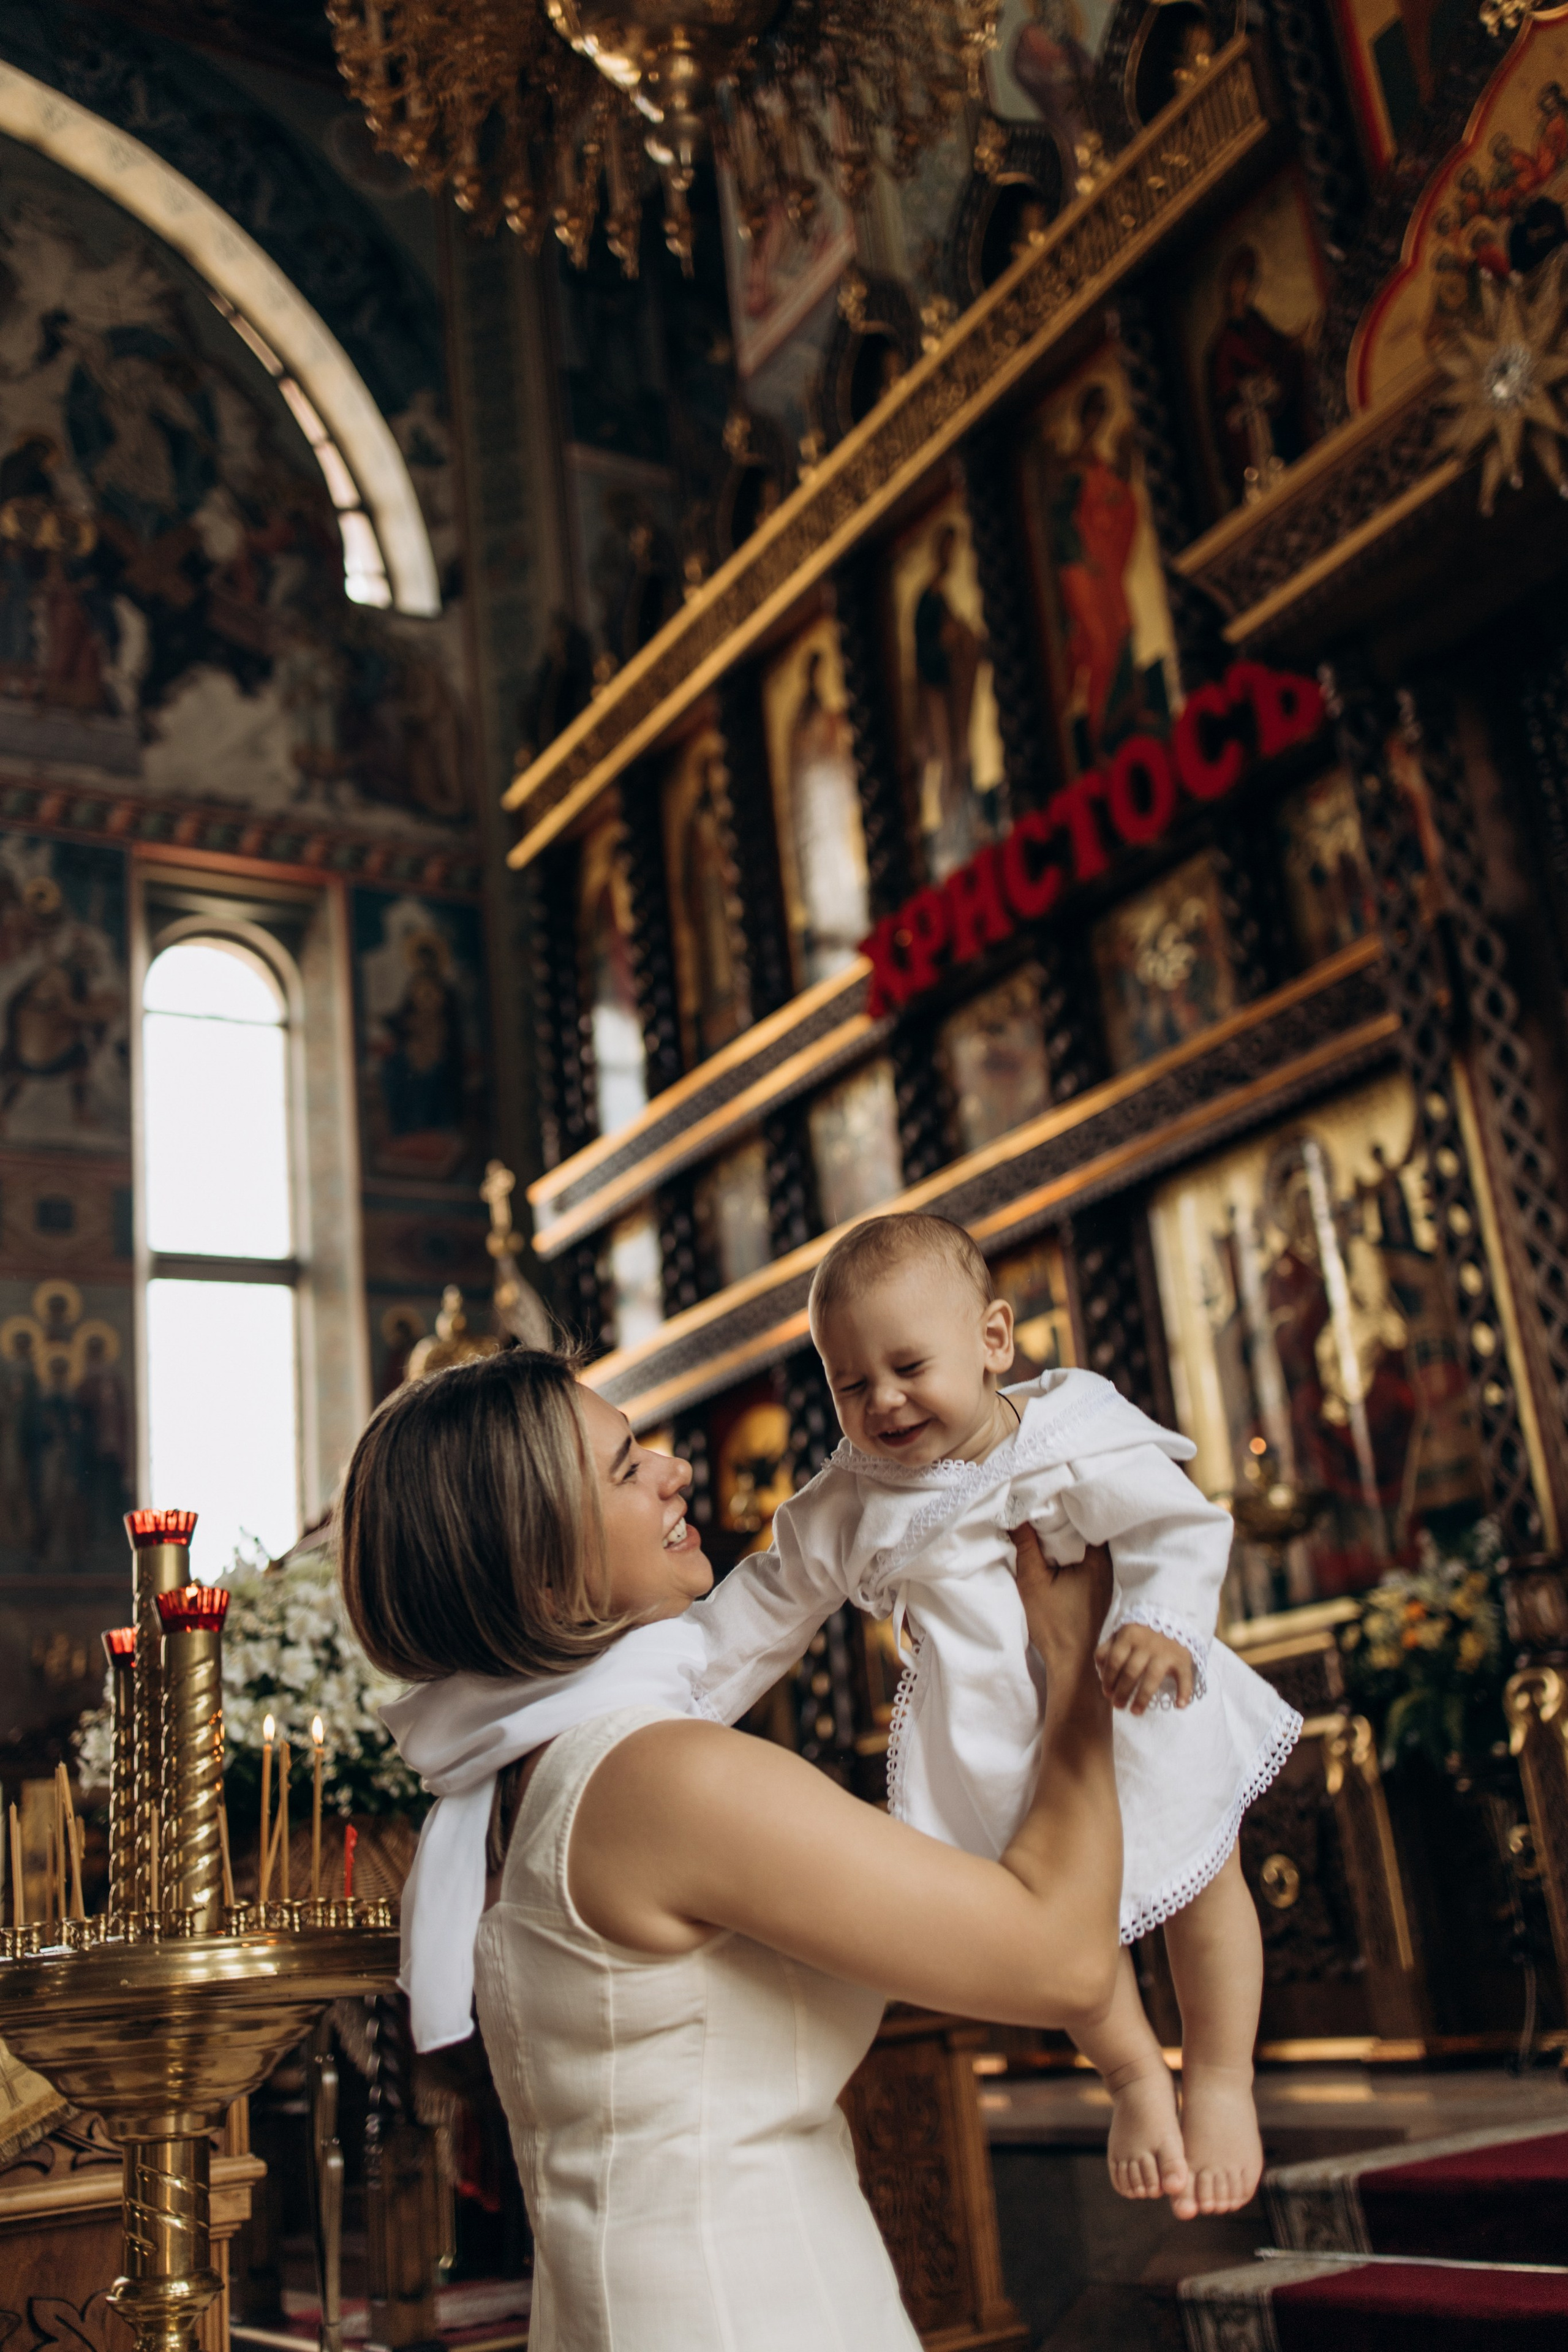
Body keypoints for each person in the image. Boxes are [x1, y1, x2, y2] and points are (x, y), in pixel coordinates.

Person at [341, 1347, 1124, 2352]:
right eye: (626, 1468)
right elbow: (1061, 1959)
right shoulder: (660, 1780)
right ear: (539, 1558)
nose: (673, 1469)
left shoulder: (515, 1781)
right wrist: (1078, 1662)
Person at [695, 1213, 1301, 2219]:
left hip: (1132, 1691)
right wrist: (669, 1701)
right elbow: (761, 1611)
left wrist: (1160, 1620)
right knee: (1065, 1936)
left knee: (1208, 1873)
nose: (883, 1400)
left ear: (993, 1341)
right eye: (851, 1383)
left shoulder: (1071, 1429)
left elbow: (1175, 1523)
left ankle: (1225, 2079)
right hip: (987, 1744)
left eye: (907, 1366)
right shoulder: (844, 1502)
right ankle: (1135, 2077)